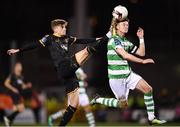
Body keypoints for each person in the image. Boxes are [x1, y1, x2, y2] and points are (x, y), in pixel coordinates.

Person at [7, 19, 110, 126]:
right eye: (63, 27)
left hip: (69, 74)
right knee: (86, 51)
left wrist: (97, 38)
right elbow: (35, 45)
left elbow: (81, 40)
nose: (65, 28)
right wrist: (19, 50)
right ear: (56, 28)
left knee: (74, 105)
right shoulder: (49, 38)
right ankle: (108, 36)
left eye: (65, 27)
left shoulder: (67, 38)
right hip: (64, 66)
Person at [90, 18, 167, 125]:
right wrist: (143, 62)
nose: (126, 26)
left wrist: (141, 38)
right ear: (117, 26)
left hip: (128, 74)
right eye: (124, 24)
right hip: (116, 78)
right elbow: (125, 55)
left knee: (148, 89)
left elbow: (141, 52)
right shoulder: (114, 40)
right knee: (123, 105)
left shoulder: (125, 41)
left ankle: (151, 118)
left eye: (127, 24)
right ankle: (98, 99)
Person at [3, 62, 32, 126]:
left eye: (21, 66)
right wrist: (13, 89)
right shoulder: (12, 75)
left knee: (15, 110)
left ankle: (9, 122)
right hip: (14, 93)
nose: (20, 67)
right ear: (15, 67)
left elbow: (22, 87)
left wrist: (27, 85)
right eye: (19, 66)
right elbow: (6, 83)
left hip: (18, 94)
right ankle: (8, 118)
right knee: (22, 108)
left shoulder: (21, 77)